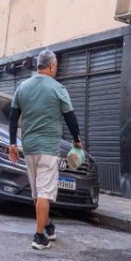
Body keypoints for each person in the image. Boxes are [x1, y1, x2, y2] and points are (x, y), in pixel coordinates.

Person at [8, 49, 82, 250]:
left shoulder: (22, 87)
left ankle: (47, 225)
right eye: (56, 66)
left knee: (37, 192)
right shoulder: (58, 88)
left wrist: (12, 144)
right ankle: (39, 236)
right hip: (48, 148)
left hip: (29, 147)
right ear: (51, 66)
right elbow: (70, 117)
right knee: (44, 192)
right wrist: (76, 140)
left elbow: (13, 116)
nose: (55, 69)